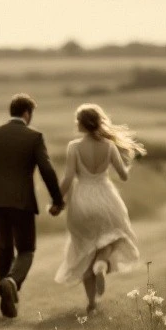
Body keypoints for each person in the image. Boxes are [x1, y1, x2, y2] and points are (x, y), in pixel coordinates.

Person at [0, 93, 64, 318]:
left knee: (4, 248)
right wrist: (57, 200)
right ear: (27, 113)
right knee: (26, 249)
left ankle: (6, 300)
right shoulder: (34, 137)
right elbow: (47, 170)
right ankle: (12, 282)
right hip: (22, 202)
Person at [54, 104, 144, 313]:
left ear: (82, 124)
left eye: (77, 120)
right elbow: (123, 175)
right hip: (106, 197)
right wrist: (128, 165)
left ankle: (92, 303)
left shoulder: (74, 147)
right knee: (115, 235)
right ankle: (102, 264)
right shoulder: (109, 146)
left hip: (82, 199)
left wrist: (58, 201)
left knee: (85, 247)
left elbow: (68, 178)